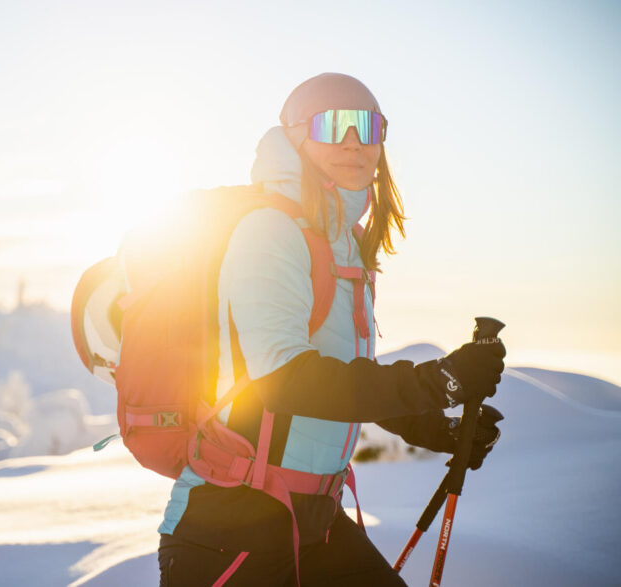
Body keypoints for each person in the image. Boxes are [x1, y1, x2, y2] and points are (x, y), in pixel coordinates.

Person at [155, 73, 506, 586]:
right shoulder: (269, 232)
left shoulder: (347, 246)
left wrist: (434, 427)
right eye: (333, 125)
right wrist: (440, 380)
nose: (353, 141)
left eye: (368, 126)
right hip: (228, 528)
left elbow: (343, 379)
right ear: (295, 137)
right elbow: (284, 380)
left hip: (314, 520)